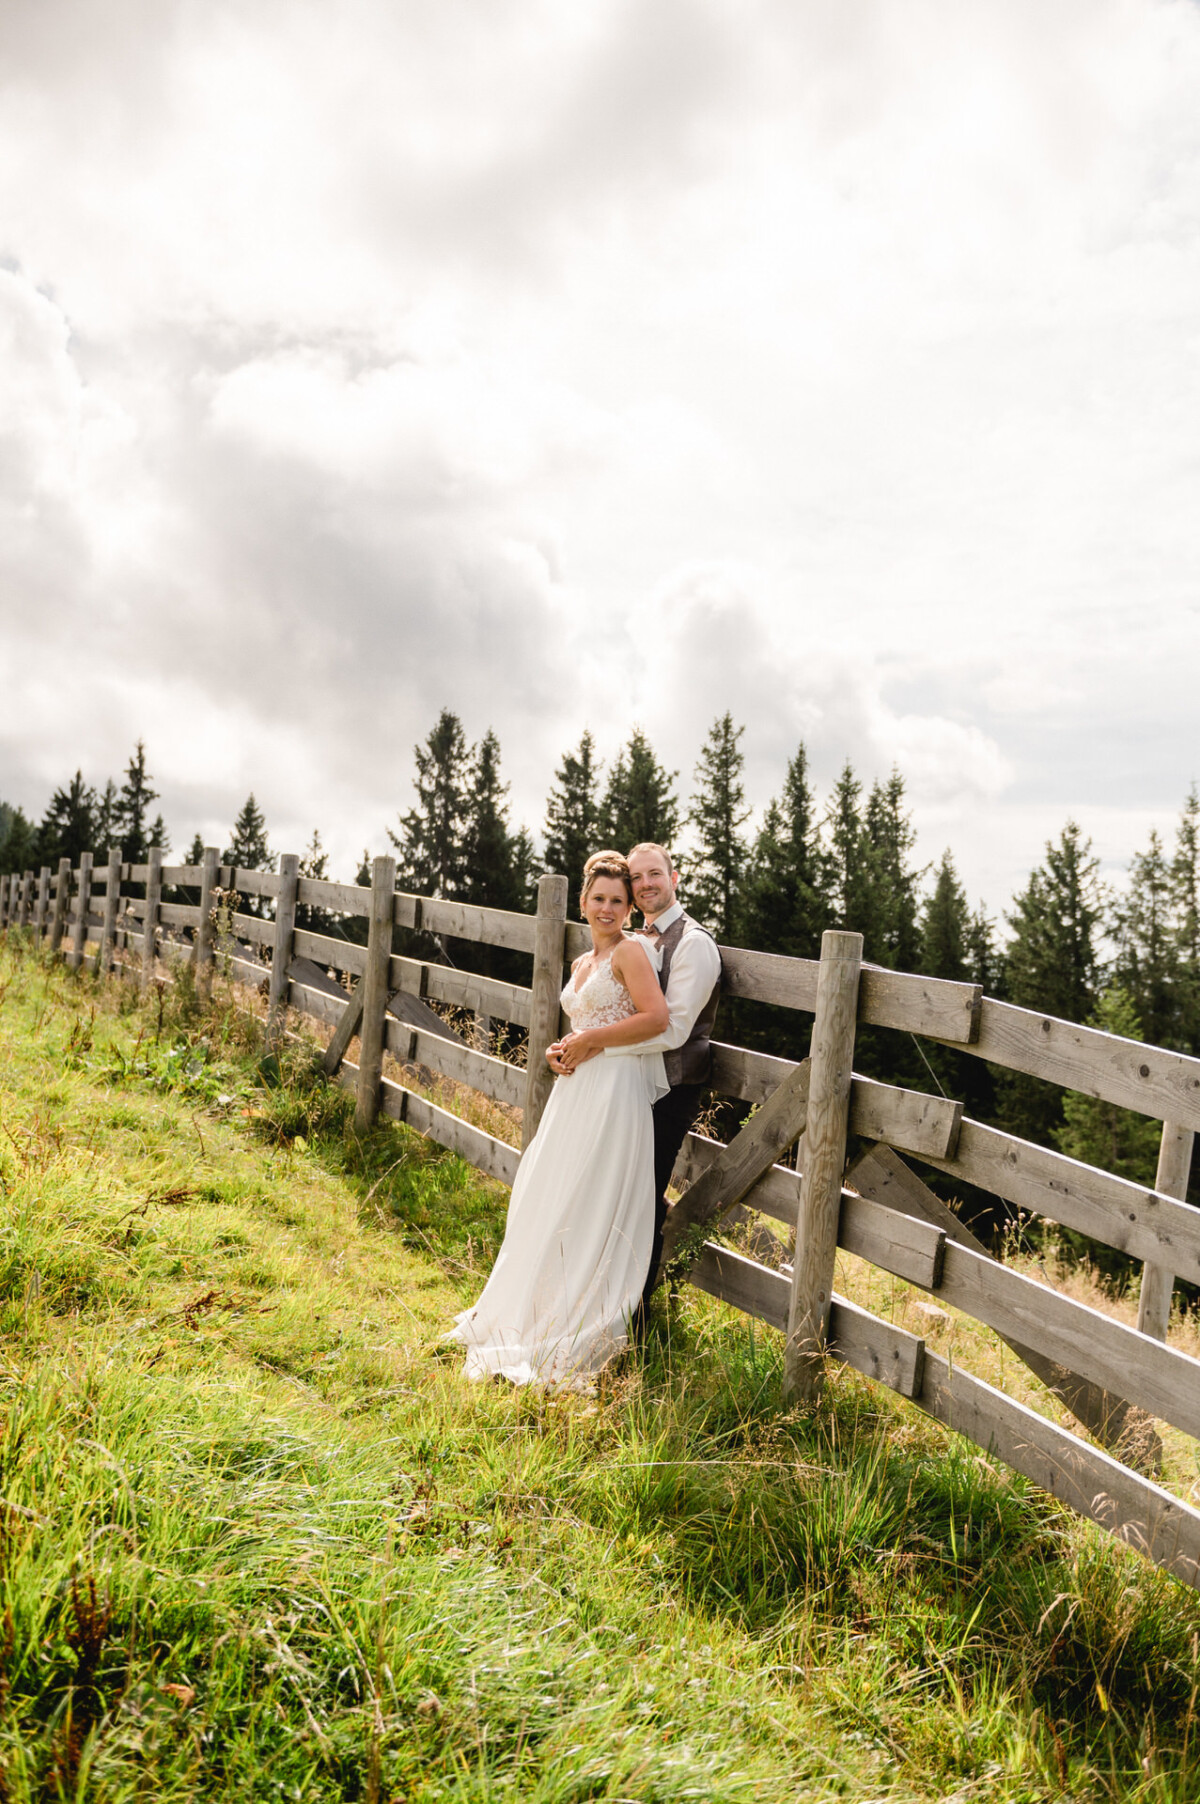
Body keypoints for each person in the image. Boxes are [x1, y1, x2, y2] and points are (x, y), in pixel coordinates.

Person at [449, 852, 669, 1386]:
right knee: (551, 1193)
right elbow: (586, 1020)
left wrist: (591, 1040)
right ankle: (531, 1306)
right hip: (575, 1091)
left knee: (589, 1196)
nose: (608, 909)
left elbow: (656, 1019)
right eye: (599, 899)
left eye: (618, 900)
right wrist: (561, 1050)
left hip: (614, 1090)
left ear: (629, 908)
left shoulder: (631, 952)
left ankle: (574, 1316)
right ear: (583, 903)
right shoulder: (581, 964)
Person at [553, 842, 722, 1306]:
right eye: (637, 877)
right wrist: (574, 1045)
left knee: (640, 1198)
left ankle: (632, 1308)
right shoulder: (632, 940)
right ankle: (586, 1294)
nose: (646, 884)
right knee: (602, 1189)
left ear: (674, 878)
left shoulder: (693, 943)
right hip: (619, 1083)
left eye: (655, 874)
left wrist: (594, 1045)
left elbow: (674, 1029)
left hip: (671, 1089)